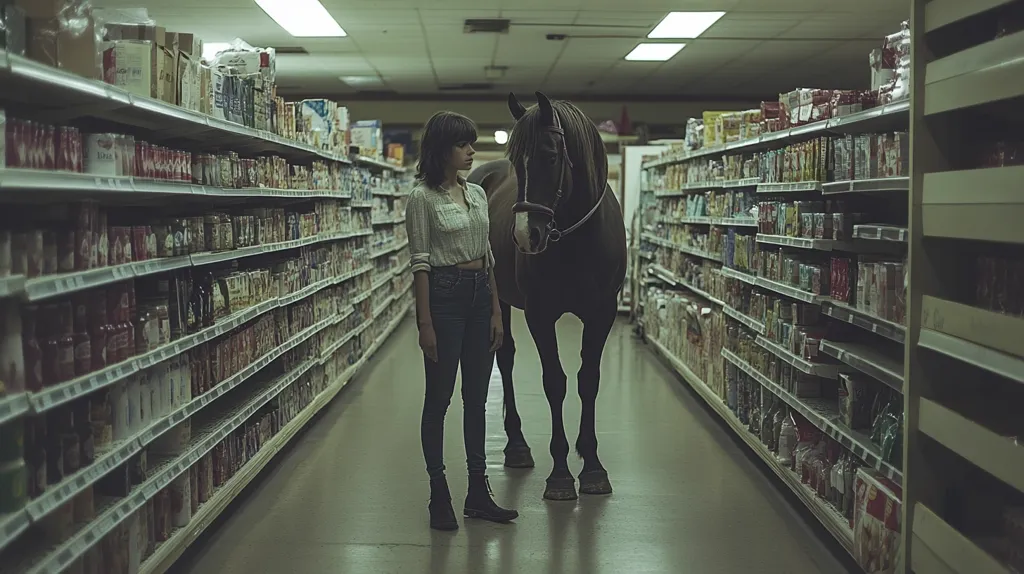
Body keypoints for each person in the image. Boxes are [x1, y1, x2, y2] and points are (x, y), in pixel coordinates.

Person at [405, 111, 519, 531]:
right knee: (438, 400)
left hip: (477, 297)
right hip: (444, 296)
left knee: (477, 398)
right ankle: (439, 493)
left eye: (471, 143)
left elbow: (488, 257)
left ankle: (477, 491)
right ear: (441, 150)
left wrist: (495, 310)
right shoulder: (422, 198)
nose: (472, 151)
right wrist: (425, 323)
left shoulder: (475, 195)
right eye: (462, 145)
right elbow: (420, 263)